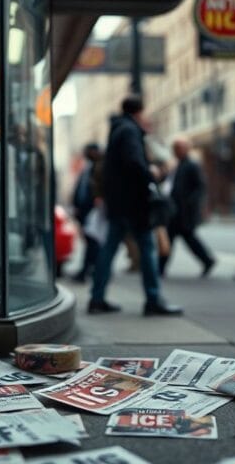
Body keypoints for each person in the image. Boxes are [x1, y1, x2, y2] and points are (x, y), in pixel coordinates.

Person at [89, 95, 182, 316]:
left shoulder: (117, 130)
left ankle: (97, 298)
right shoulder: (129, 131)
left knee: (109, 248)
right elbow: (134, 163)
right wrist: (151, 172)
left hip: (119, 203)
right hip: (133, 203)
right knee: (148, 248)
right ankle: (153, 299)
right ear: (139, 112)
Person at [159, 137, 215, 278]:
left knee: (184, 238)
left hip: (184, 210)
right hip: (175, 209)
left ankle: (207, 260)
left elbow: (200, 187)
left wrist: (191, 203)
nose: (176, 151)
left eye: (178, 149)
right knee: (178, 238)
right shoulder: (177, 165)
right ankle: (160, 267)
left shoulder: (191, 165)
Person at [70, 143, 102, 283]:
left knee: (93, 242)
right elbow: (80, 188)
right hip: (83, 210)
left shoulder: (99, 167)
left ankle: (89, 270)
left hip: (93, 210)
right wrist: (76, 205)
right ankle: (91, 269)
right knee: (90, 242)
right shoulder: (87, 167)